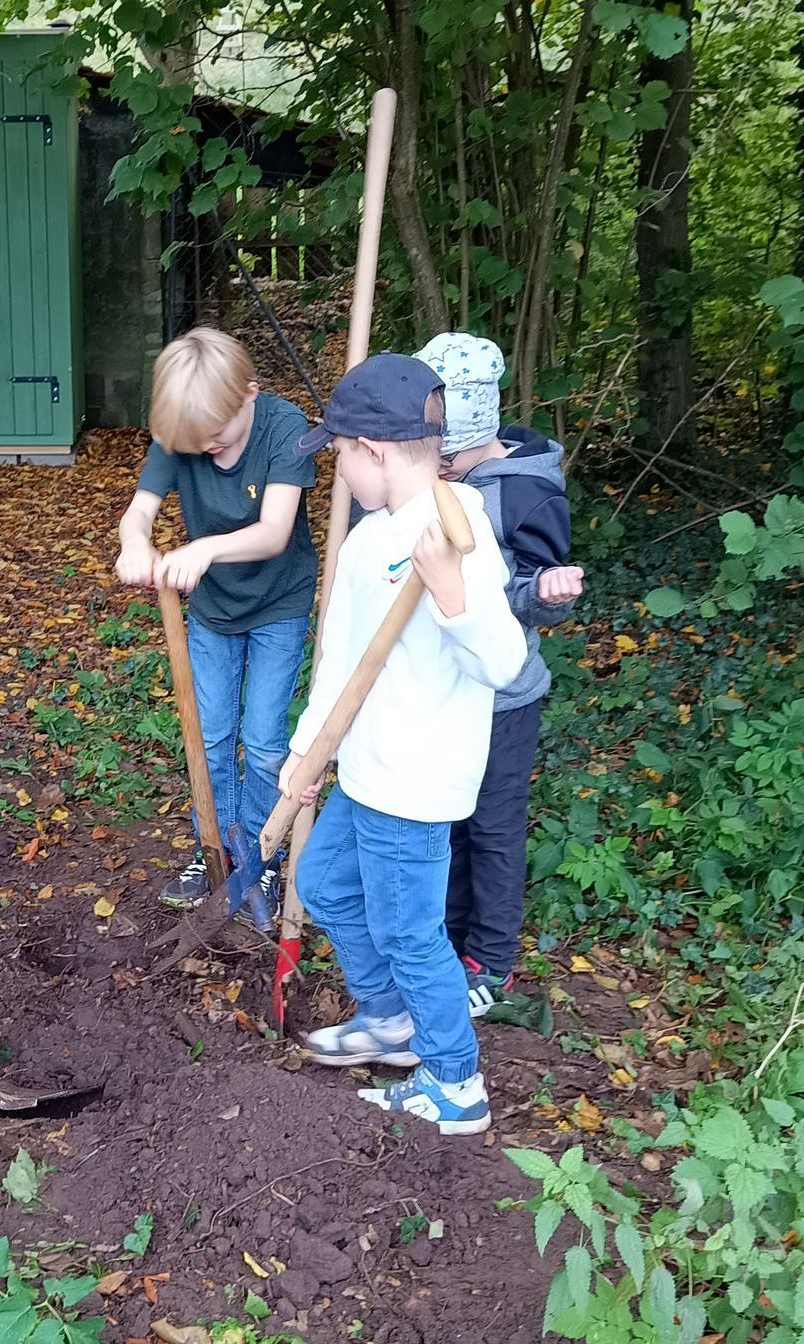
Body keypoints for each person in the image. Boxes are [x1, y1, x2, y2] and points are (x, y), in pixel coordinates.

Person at [279, 354, 525, 1135]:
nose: (338, 469)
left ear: (375, 453)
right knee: (322, 883)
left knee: (411, 933)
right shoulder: (366, 543)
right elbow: (341, 663)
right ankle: (389, 1017)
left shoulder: (458, 528)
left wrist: (454, 595)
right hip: (365, 768)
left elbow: (504, 662)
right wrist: (306, 751)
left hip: (417, 780)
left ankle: (455, 1082)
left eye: (341, 454)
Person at [115, 328, 316, 914]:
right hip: (212, 610)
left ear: (249, 394)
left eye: (218, 439)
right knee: (211, 735)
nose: (209, 452)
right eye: (196, 445)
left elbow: (275, 532)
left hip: (279, 604)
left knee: (262, 739)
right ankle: (219, 847)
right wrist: (134, 543)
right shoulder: (184, 430)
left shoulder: (284, 427)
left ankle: (263, 852)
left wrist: (202, 550)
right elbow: (140, 513)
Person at [414, 333, 585, 1017]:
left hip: (504, 697)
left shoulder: (524, 495)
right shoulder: (448, 479)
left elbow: (534, 595)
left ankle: (491, 961)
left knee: (493, 826)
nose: (438, 469)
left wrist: (546, 595)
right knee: (451, 818)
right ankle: (450, 941)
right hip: (447, 688)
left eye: (444, 457)